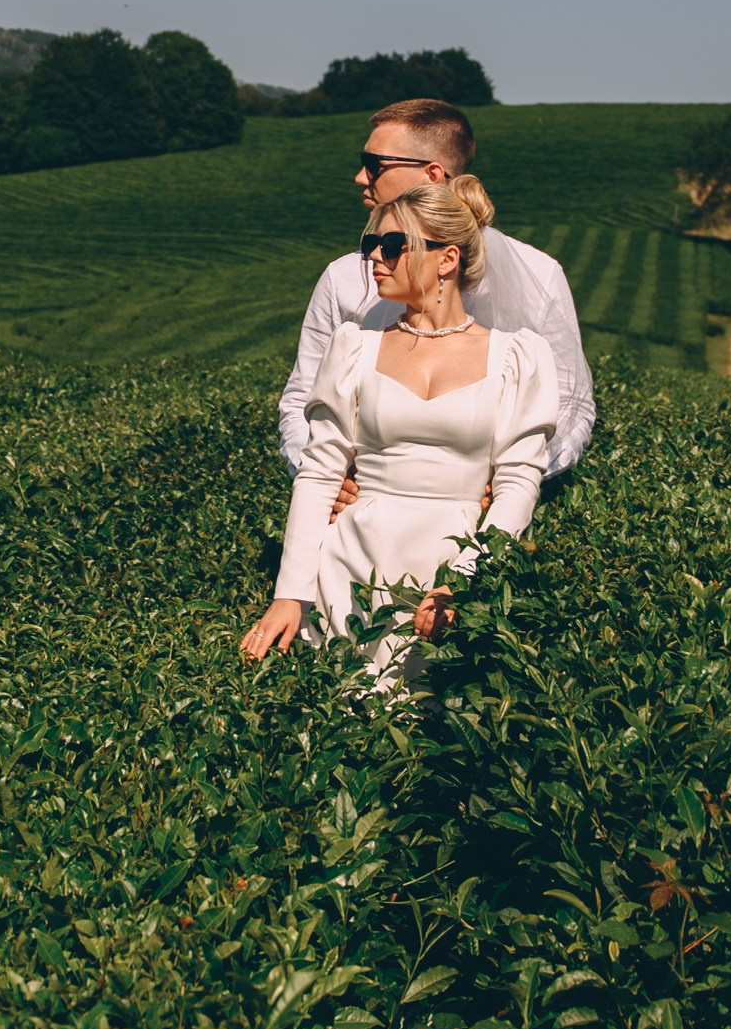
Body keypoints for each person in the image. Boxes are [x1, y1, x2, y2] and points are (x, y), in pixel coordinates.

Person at [244, 181, 558, 685]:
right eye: (370, 246)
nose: (375, 258)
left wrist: (464, 583)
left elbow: (519, 483)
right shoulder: (354, 349)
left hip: (453, 564)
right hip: (350, 563)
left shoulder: (516, 357)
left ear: (447, 258)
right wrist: (289, 595)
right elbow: (319, 474)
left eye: (393, 246)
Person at [278, 94, 593, 482]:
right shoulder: (343, 276)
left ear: (432, 173)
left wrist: (514, 484)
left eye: (374, 165)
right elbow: (301, 399)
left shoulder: (539, 273)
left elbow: (571, 404)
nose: (360, 177)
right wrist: (322, 477)